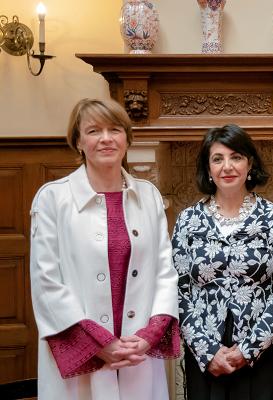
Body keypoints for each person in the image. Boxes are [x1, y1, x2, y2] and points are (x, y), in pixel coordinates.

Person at [30, 98, 181, 399]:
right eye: (94, 131)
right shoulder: (52, 199)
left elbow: (165, 270)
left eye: (115, 129)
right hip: (83, 353)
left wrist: (148, 336)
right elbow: (46, 284)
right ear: (78, 141)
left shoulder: (148, 195)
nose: (106, 139)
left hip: (137, 352)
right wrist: (101, 344)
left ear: (127, 139)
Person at [171, 124, 273, 400]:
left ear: (249, 164)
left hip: (262, 352)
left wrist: (248, 349)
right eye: (217, 158)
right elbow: (177, 288)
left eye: (236, 157)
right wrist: (206, 350)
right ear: (208, 169)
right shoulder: (188, 221)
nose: (227, 166)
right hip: (207, 354)